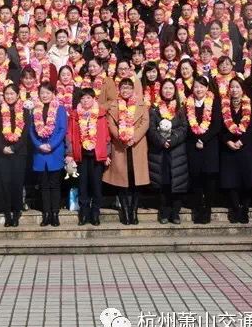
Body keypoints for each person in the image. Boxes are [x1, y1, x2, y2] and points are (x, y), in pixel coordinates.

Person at [106, 78, 150, 225]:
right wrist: (121, 137)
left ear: (133, 89)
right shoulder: (113, 105)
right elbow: (111, 124)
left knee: (136, 181)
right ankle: (125, 210)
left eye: (128, 88)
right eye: (123, 88)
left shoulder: (141, 104)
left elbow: (145, 122)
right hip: (120, 146)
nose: (126, 90)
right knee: (121, 181)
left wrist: (134, 138)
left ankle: (134, 211)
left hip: (137, 146)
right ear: (119, 90)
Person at [219, 78, 252, 224]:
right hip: (228, 148)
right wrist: (228, 141)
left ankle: (245, 209)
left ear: (242, 89)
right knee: (231, 180)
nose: (234, 90)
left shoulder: (250, 105)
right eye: (232, 87)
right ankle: (235, 208)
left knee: (247, 180)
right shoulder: (223, 105)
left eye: (237, 87)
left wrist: (242, 141)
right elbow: (220, 126)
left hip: (246, 147)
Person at [147, 80, 189, 224]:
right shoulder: (154, 109)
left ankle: (175, 213)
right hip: (160, 152)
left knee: (177, 182)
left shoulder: (180, 108)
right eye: (165, 88)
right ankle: (164, 212)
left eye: (171, 88)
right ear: (161, 90)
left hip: (177, 152)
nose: (168, 91)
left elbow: (184, 128)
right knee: (163, 183)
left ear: (175, 90)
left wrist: (172, 140)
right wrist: (161, 141)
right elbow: (151, 129)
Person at [66, 88, 110, 226]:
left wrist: (107, 154)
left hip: (97, 156)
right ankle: (84, 212)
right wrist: (70, 153)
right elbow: (69, 135)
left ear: (94, 99)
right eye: (83, 98)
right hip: (81, 156)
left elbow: (107, 136)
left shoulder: (101, 114)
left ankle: (95, 212)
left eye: (88, 98)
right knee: (82, 185)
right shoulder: (74, 115)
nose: (85, 100)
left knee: (96, 185)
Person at [29, 82, 68, 227]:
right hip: (40, 152)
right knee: (43, 185)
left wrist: (51, 145)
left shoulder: (60, 109)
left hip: (55, 151)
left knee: (55, 184)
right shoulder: (35, 109)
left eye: (47, 92)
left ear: (53, 94)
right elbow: (31, 130)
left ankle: (55, 213)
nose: (44, 95)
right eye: (42, 93)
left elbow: (62, 129)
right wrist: (39, 145)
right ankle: (46, 214)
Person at [184, 76, 221, 224]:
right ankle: (198, 208)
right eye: (196, 87)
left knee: (209, 178)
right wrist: (197, 139)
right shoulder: (188, 103)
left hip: (210, 145)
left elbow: (217, 125)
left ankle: (208, 209)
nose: (199, 89)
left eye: (201, 86)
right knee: (196, 179)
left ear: (207, 88)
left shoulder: (214, 102)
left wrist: (203, 139)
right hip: (193, 145)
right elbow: (187, 124)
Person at [0, 84, 29, 227]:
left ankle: (16, 212)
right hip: (2, 154)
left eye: (12, 93)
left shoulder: (25, 112)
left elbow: (25, 134)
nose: (9, 96)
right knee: (4, 183)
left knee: (17, 183)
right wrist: (3, 148)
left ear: (18, 95)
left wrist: (14, 147)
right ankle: (7, 213)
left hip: (19, 153)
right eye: (7, 94)